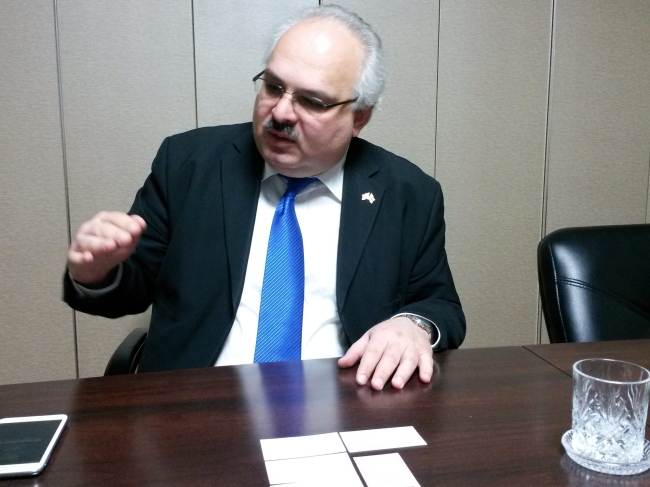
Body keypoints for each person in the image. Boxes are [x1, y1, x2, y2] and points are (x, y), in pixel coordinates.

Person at [64, 4, 465, 390]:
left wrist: (414, 324)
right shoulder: (189, 164)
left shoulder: (409, 193)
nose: (281, 113)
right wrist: (96, 272)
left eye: (312, 101)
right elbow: (129, 287)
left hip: (349, 405)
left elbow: (440, 305)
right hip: (195, 407)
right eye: (274, 87)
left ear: (359, 116)